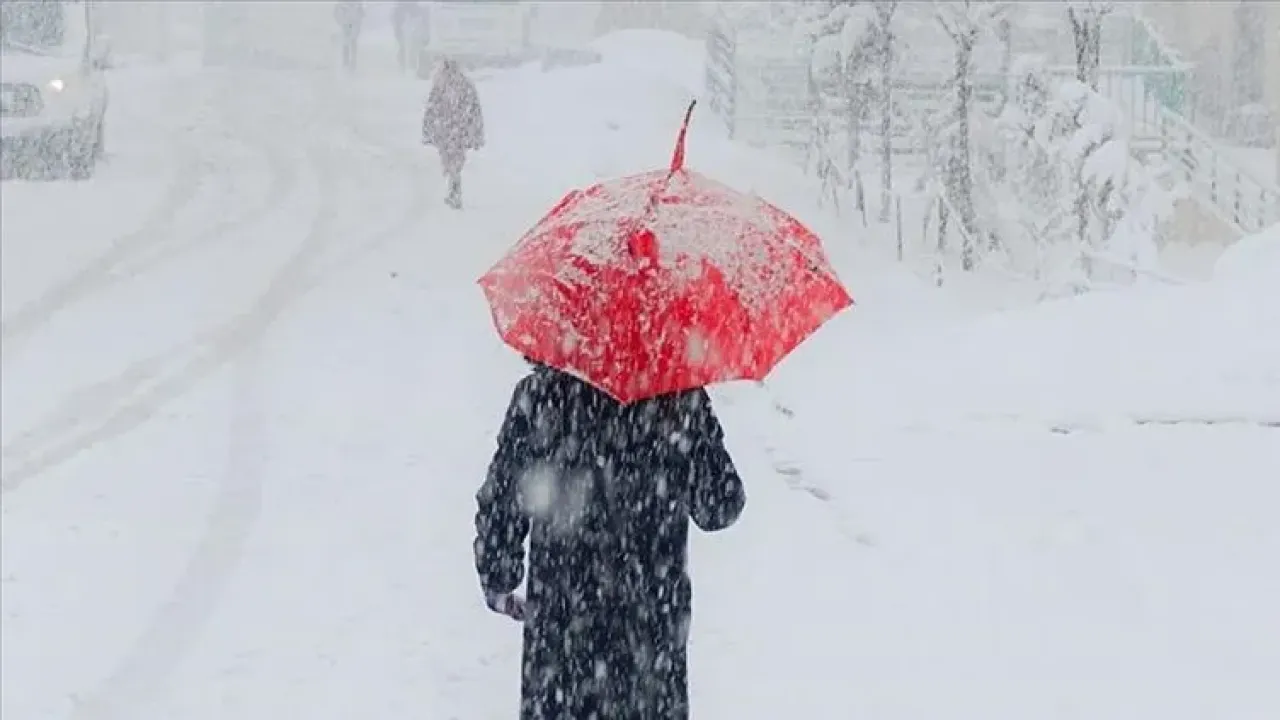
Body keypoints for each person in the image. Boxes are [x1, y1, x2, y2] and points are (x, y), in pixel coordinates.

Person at [474, 361, 746, 719]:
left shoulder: (542, 395)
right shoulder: (677, 401)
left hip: (562, 624)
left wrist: (500, 576)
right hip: (649, 627)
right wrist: (695, 424)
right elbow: (719, 508)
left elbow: (502, 499)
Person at [421, 59, 484, 209]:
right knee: (455, 159)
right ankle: (454, 186)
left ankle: (454, 187)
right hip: (458, 130)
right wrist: (475, 132)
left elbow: (432, 109)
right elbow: (475, 111)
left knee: (450, 160)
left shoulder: (441, 85)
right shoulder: (465, 85)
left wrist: (429, 130)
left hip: (448, 130)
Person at [391, 0, 420, 74]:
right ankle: (404, 64)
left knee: (411, 43)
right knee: (403, 45)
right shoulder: (400, 9)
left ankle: (409, 64)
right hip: (404, 16)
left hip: (410, 15)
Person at [334, 0, 364, 72]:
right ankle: (346, 61)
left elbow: (362, 13)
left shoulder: (358, 3)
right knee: (347, 42)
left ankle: (353, 60)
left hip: (354, 24)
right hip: (347, 24)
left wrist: (359, 19)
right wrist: (341, 22)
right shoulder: (342, 3)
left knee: (353, 41)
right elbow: (335, 13)